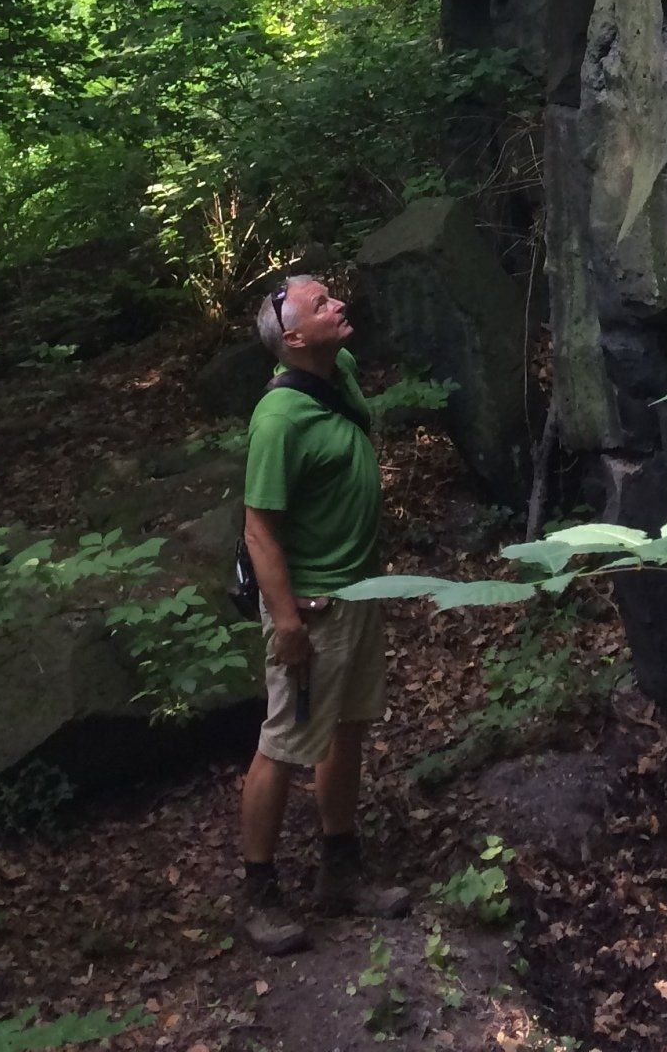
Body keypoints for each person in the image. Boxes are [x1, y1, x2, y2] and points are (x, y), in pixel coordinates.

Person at [237, 270, 409, 954]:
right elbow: (258, 530)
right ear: (294, 336)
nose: (339, 303)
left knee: (348, 730)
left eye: (333, 294)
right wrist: (285, 622)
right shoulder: (278, 419)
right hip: (311, 609)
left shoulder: (337, 368)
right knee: (284, 744)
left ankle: (342, 870)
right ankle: (259, 894)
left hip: (358, 594)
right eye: (321, 303)